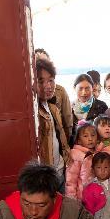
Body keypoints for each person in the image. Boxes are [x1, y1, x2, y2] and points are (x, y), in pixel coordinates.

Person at [35, 56, 73, 192]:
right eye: (41, 81)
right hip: (46, 178)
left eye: (51, 80)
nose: (48, 86)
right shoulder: (33, 113)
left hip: (61, 172)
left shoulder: (53, 109)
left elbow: (62, 139)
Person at [65, 121, 98, 200]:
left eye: (93, 135)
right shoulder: (76, 155)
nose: (90, 139)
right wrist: (72, 200)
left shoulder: (98, 153)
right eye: (85, 136)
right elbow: (71, 180)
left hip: (97, 196)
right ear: (79, 141)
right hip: (82, 197)